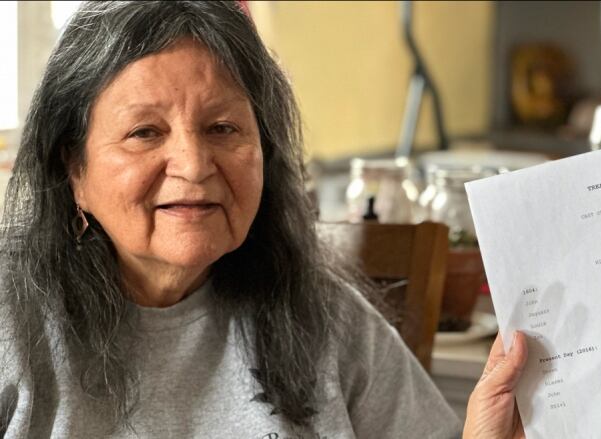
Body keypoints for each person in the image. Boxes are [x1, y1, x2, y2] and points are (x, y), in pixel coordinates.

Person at [0, 2, 525, 438]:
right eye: (145, 132)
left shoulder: (329, 321)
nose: (194, 164)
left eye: (223, 127)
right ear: (74, 168)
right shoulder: (11, 326)